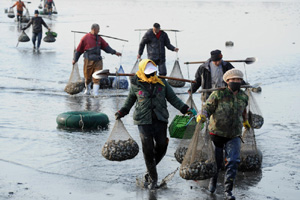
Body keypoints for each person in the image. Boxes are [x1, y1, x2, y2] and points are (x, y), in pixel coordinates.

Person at [115, 59, 196, 190]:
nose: (150, 75)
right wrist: (121, 112)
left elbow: (173, 99)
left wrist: (185, 109)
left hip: (160, 119)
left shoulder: (162, 83)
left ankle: (148, 173)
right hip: (143, 121)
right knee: (147, 149)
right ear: (142, 71)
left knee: (162, 146)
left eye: (152, 72)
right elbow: (129, 101)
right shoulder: (136, 84)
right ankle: (154, 179)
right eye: (148, 73)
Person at [196, 68, 251, 200]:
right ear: (227, 81)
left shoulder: (244, 96)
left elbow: (243, 111)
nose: (236, 82)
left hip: (234, 134)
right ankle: (213, 182)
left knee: (233, 161)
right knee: (217, 162)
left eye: (238, 79)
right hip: (216, 133)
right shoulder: (218, 95)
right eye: (233, 80)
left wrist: (245, 122)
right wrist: (202, 116)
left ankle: (228, 190)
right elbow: (207, 108)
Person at [72, 24, 122, 96]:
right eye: (98, 29)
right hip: (88, 60)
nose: (99, 31)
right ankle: (87, 89)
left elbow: (106, 48)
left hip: (98, 61)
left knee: (97, 77)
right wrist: (75, 59)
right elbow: (79, 50)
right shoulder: (85, 38)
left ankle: (95, 94)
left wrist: (115, 52)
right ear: (94, 29)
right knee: (87, 77)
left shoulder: (99, 39)